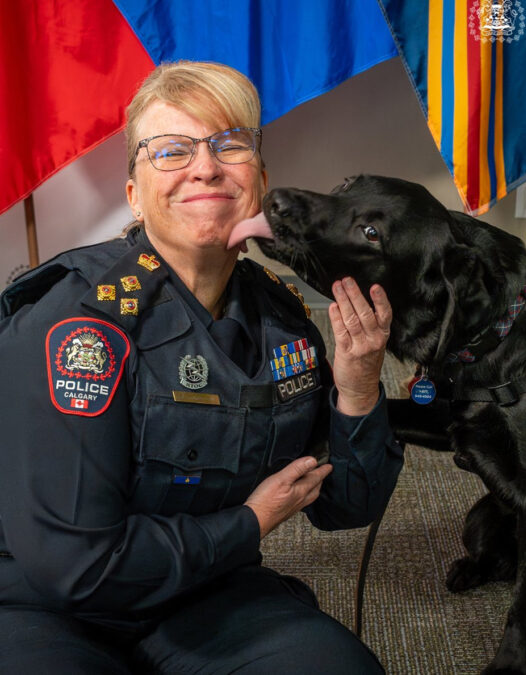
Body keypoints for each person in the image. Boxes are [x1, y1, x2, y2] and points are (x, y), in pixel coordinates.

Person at [0, 61, 403, 673]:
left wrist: (358, 387)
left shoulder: (285, 318)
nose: (206, 166)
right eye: (170, 151)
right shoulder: (76, 326)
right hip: (46, 608)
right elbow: (76, 568)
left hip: (203, 594)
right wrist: (249, 523)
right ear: (134, 193)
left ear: (259, 179)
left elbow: (345, 506)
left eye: (229, 144)